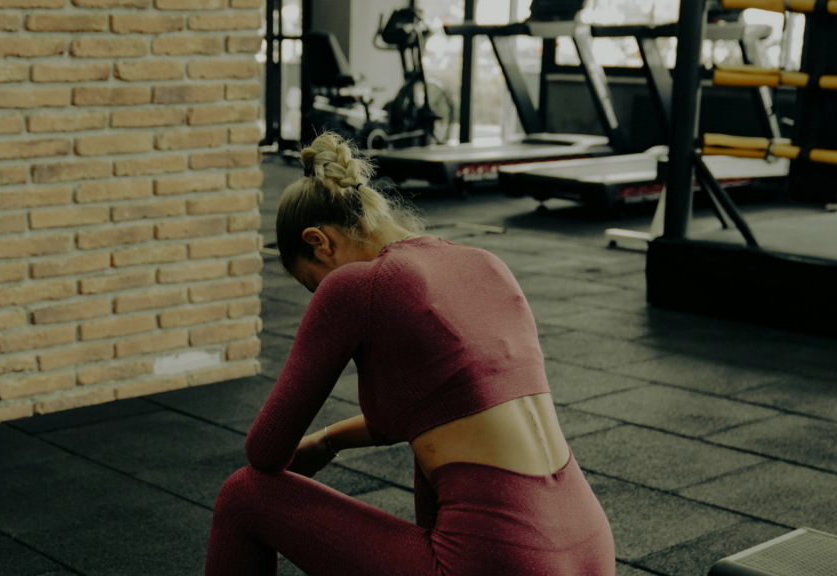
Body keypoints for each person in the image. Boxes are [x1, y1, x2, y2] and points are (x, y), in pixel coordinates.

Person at [204, 132, 616, 575]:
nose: (318, 296)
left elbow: (264, 452)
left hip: (502, 558)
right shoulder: (485, 263)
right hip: (591, 545)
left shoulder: (357, 286)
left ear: (319, 241)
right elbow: (448, 406)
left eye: (313, 283)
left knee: (243, 495)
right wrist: (330, 441)